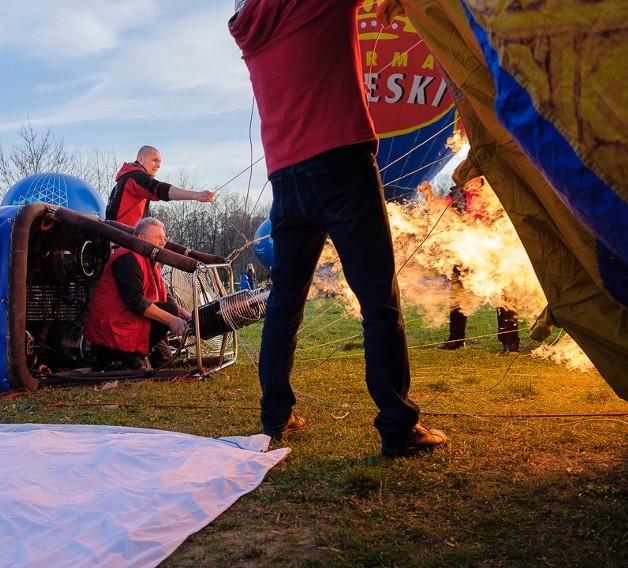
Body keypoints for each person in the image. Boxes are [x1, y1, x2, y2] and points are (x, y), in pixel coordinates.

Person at [229, 0, 446, 457]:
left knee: (285, 301)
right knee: (378, 301)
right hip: (342, 160)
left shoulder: (247, 27)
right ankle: (398, 426)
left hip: (286, 177)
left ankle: (276, 416)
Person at [419, 179, 520, 354]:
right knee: (458, 297)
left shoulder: (497, 189)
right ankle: (456, 340)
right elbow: (440, 210)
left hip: (495, 250)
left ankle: (510, 342)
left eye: (472, 177)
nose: (468, 181)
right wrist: (428, 193)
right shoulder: (458, 194)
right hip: (466, 250)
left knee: (504, 296)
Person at [84, 217, 193, 371]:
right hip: (111, 333)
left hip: (129, 324)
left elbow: (164, 296)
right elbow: (135, 301)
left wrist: (187, 316)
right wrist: (171, 320)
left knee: (165, 360)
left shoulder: (151, 261)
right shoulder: (127, 257)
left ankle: (138, 354)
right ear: (141, 239)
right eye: (158, 238)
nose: (163, 243)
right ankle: (131, 356)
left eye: (164, 238)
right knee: (170, 311)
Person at [105, 145, 216, 227]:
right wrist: (197, 196)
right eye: (155, 160)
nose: (158, 166)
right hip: (123, 241)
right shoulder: (136, 177)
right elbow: (159, 189)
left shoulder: (125, 179)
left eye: (159, 162)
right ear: (140, 159)